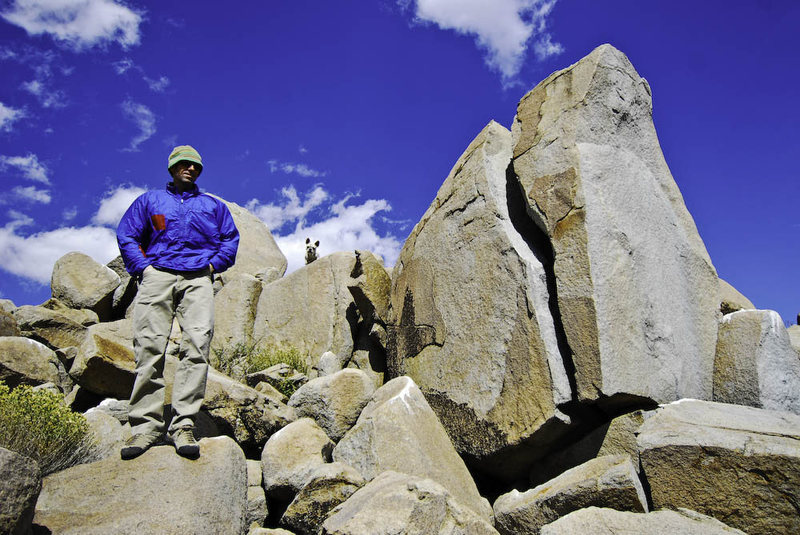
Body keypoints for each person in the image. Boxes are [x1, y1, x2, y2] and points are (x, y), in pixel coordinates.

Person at [116, 145, 239, 459]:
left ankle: (183, 426)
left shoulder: (213, 206)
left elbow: (230, 238)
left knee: (197, 346)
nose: (191, 169)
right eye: (184, 164)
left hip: (198, 278)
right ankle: (144, 428)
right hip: (158, 275)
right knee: (149, 348)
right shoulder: (150, 201)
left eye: (196, 165)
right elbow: (128, 234)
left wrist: (212, 266)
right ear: (172, 168)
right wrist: (143, 268)